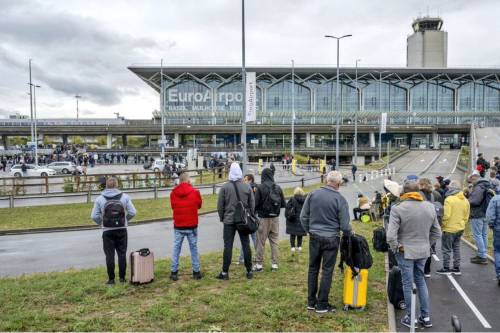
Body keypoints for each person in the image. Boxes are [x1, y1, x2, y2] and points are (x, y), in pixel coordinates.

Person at [386, 181, 441, 328]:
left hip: (405, 252)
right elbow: (437, 232)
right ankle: (426, 316)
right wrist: (426, 245)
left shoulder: (397, 209)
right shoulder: (429, 207)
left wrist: (396, 247)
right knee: (421, 281)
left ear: (404, 192)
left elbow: (390, 236)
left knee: (408, 284)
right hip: (423, 251)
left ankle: (411, 318)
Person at [300, 171, 351, 313]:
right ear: (339, 183)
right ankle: (322, 304)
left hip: (315, 236)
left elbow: (303, 216)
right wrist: (348, 234)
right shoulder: (340, 199)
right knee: (327, 271)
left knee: (313, 268)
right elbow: (345, 226)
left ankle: (311, 302)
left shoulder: (313, 194)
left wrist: (309, 230)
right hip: (331, 238)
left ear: (327, 180)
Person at [91, 177, 137, 285]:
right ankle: (122, 278)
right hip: (121, 229)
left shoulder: (99, 199)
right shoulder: (125, 197)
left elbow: (93, 216)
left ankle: (111, 279)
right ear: (117, 185)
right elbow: (133, 212)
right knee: (122, 254)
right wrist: (125, 220)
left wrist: (101, 223)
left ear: (106, 185)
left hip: (107, 231)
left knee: (109, 255)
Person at [216, 162, 255, 280]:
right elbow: (252, 204)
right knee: (246, 245)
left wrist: (222, 217)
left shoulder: (225, 187)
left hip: (229, 221)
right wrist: (250, 215)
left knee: (228, 246)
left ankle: (225, 272)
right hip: (243, 220)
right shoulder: (247, 186)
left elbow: (220, 205)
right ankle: (249, 270)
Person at [169, 172, 203, 281]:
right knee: (193, 249)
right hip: (192, 225)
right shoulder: (195, 192)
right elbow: (199, 205)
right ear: (188, 180)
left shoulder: (173, 193)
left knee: (176, 248)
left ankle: (174, 272)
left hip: (179, 225)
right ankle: (196, 272)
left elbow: (173, 207)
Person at [254, 168, 286, 272]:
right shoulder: (277, 187)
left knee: (260, 242)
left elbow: (255, 204)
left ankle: (259, 265)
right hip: (275, 218)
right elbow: (283, 204)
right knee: (274, 241)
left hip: (263, 218)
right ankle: (274, 265)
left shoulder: (260, 187)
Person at [436, 181, 470, 276]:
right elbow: (466, 216)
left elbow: (446, 215)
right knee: (456, 248)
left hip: (449, 228)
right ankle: (456, 267)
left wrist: (443, 225)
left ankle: (446, 267)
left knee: (446, 249)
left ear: (451, 189)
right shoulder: (465, 200)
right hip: (460, 227)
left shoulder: (449, 199)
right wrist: (462, 223)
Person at [418, 177, 443, 277]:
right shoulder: (435, 194)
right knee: (429, 246)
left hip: (422, 221)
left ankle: (421, 268)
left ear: (422, 184)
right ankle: (427, 270)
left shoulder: (419, 194)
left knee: (420, 245)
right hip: (433, 220)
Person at [466, 170, 491, 265]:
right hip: (485, 213)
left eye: (471, 178)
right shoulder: (485, 185)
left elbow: (475, 201)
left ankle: (482, 256)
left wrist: (467, 200)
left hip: (477, 214)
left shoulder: (478, 187)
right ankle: (482, 253)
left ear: (474, 177)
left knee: (478, 235)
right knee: (483, 235)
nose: (470, 181)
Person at [236, 174, 258, 265]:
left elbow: (252, 202)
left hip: (249, 216)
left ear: (250, 180)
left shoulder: (250, 188)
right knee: (251, 238)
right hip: (251, 216)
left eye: (245, 180)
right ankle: (255, 256)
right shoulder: (254, 188)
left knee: (249, 238)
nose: (244, 181)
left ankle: (246, 257)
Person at [285, 187, 307, 254]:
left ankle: (293, 248)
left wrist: (288, 217)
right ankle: (299, 247)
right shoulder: (305, 201)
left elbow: (286, 210)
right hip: (300, 220)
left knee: (292, 234)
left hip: (292, 220)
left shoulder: (292, 199)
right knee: (300, 234)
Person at [486, 189, 500, 286]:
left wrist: (491, 225)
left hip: (498, 228)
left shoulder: (496, 199)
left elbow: (490, 215)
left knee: (498, 250)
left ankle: (499, 273)